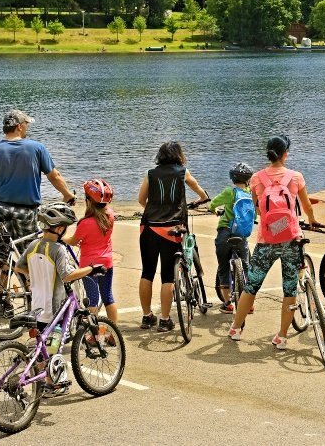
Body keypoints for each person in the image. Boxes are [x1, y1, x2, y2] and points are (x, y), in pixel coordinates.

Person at [0, 110, 75, 315]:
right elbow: (54, 176)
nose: (28, 128)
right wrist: (67, 195)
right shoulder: (36, 148)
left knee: (4, 254)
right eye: (26, 124)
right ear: (20, 126)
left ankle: (2, 300)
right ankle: (35, 302)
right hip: (25, 211)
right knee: (31, 257)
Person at [228, 135, 318, 350]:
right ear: (285, 153)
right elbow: (306, 207)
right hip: (291, 239)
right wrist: (312, 220)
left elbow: (257, 208)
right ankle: (282, 337)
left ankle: (236, 328)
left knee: (251, 286)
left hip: (266, 241)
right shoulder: (296, 177)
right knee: (289, 289)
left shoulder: (257, 178)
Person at [14, 204, 106, 397]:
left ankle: (41, 379)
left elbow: (18, 267)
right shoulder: (58, 249)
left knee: (42, 345)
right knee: (55, 344)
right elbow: (67, 275)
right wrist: (91, 269)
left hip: (37, 305)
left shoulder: (33, 245)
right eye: (65, 227)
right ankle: (52, 383)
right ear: (58, 228)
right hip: (55, 307)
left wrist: (33, 276)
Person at [136, 141, 209, 333]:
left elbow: (141, 200)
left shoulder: (150, 174)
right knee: (168, 275)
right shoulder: (182, 172)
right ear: (179, 155)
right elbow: (199, 191)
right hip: (172, 230)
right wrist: (202, 198)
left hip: (149, 228)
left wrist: (154, 210)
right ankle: (165, 319)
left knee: (147, 272)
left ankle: (146, 316)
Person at [63, 179, 118, 324]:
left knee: (92, 299)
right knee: (108, 296)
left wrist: (63, 238)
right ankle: (113, 332)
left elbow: (74, 241)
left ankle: (92, 333)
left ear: (88, 200)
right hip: (107, 262)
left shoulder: (85, 223)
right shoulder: (110, 215)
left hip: (89, 266)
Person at [210, 162, 255, 313]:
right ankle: (248, 304)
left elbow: (213, 204)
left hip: (225, 232)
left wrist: (215, 210)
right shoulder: (250, 192)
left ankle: (228, 303)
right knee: (246, 267)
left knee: (223, 267)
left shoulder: (230, 192)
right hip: (241, 234)